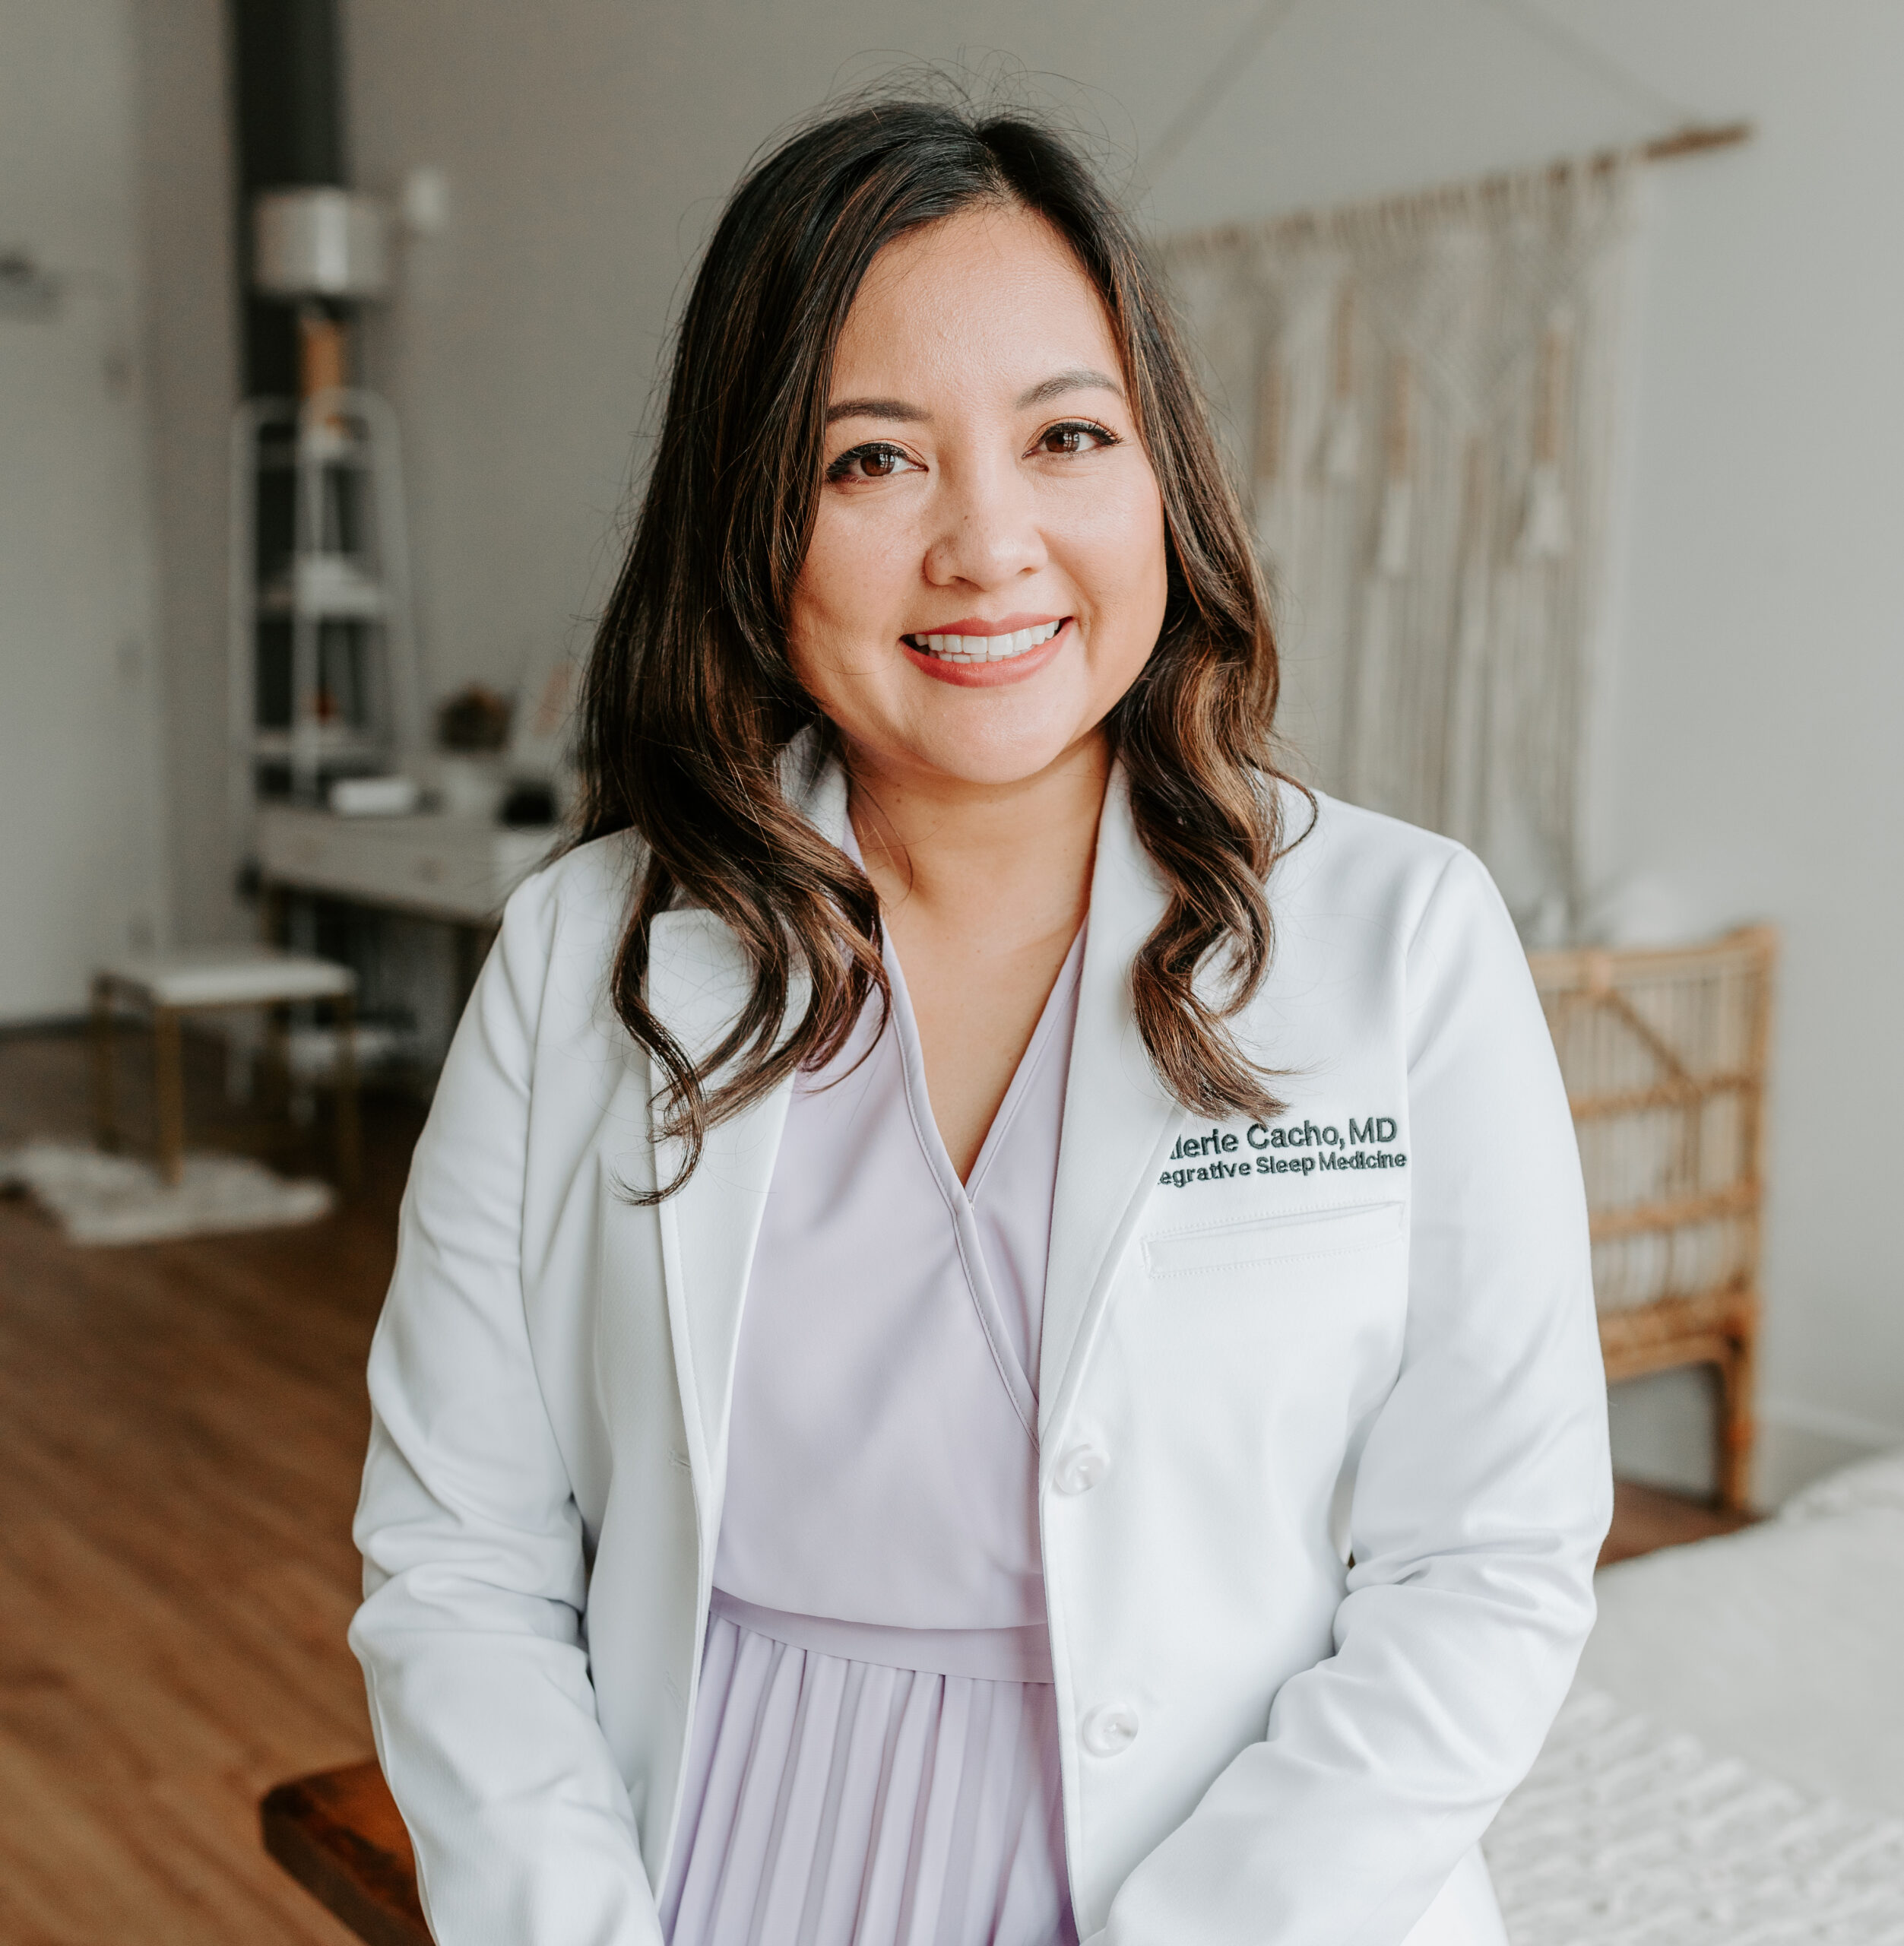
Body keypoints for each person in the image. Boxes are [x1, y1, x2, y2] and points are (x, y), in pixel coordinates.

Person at [350, 99, 1611, 1946]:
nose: (987, 543)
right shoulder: (579, 960)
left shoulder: (1399, 937)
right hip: (711, 1872)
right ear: (753, 508)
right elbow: (460, 1555)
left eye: (1064, 436)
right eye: (872, 461)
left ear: (1158, 473)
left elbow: (1483, 1562)